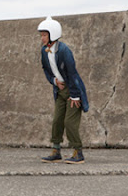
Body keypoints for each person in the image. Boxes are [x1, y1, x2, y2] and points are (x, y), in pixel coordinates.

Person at [38, 16, 89, 164]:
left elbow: (72, 74)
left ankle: (78, 152)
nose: (42, 38)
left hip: (73, 91)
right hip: (59, 91)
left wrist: (74, 96)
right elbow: (46, 70)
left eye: (44, 35)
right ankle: (56, 150)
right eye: (41, 35)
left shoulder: (64, 51)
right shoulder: (44, 51)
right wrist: (54, 81)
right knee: (57, 121)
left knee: (70, 122)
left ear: (53, 34)